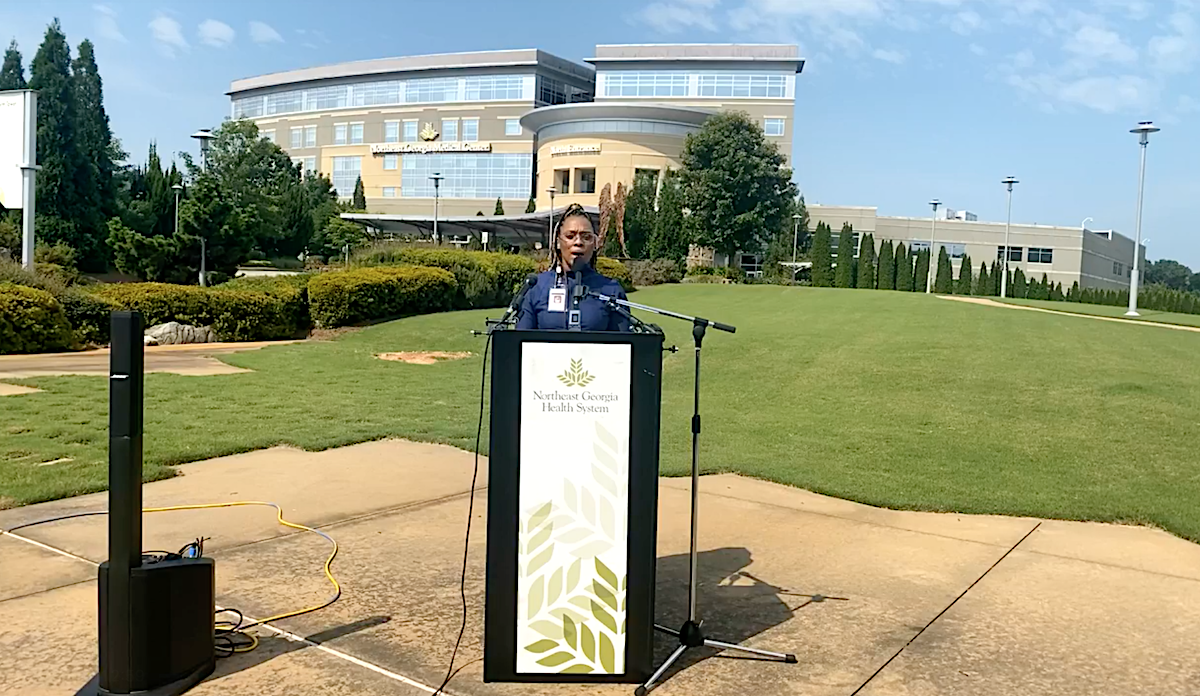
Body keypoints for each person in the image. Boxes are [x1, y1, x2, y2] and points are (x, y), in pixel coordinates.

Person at [516, 203, 630, 332]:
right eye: (570, 236)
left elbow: (623, 341)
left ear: (594, 244)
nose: (578, 242)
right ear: (558, 242)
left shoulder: (611, 289)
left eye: (586, 237)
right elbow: (521, 339)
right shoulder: (537, 288)